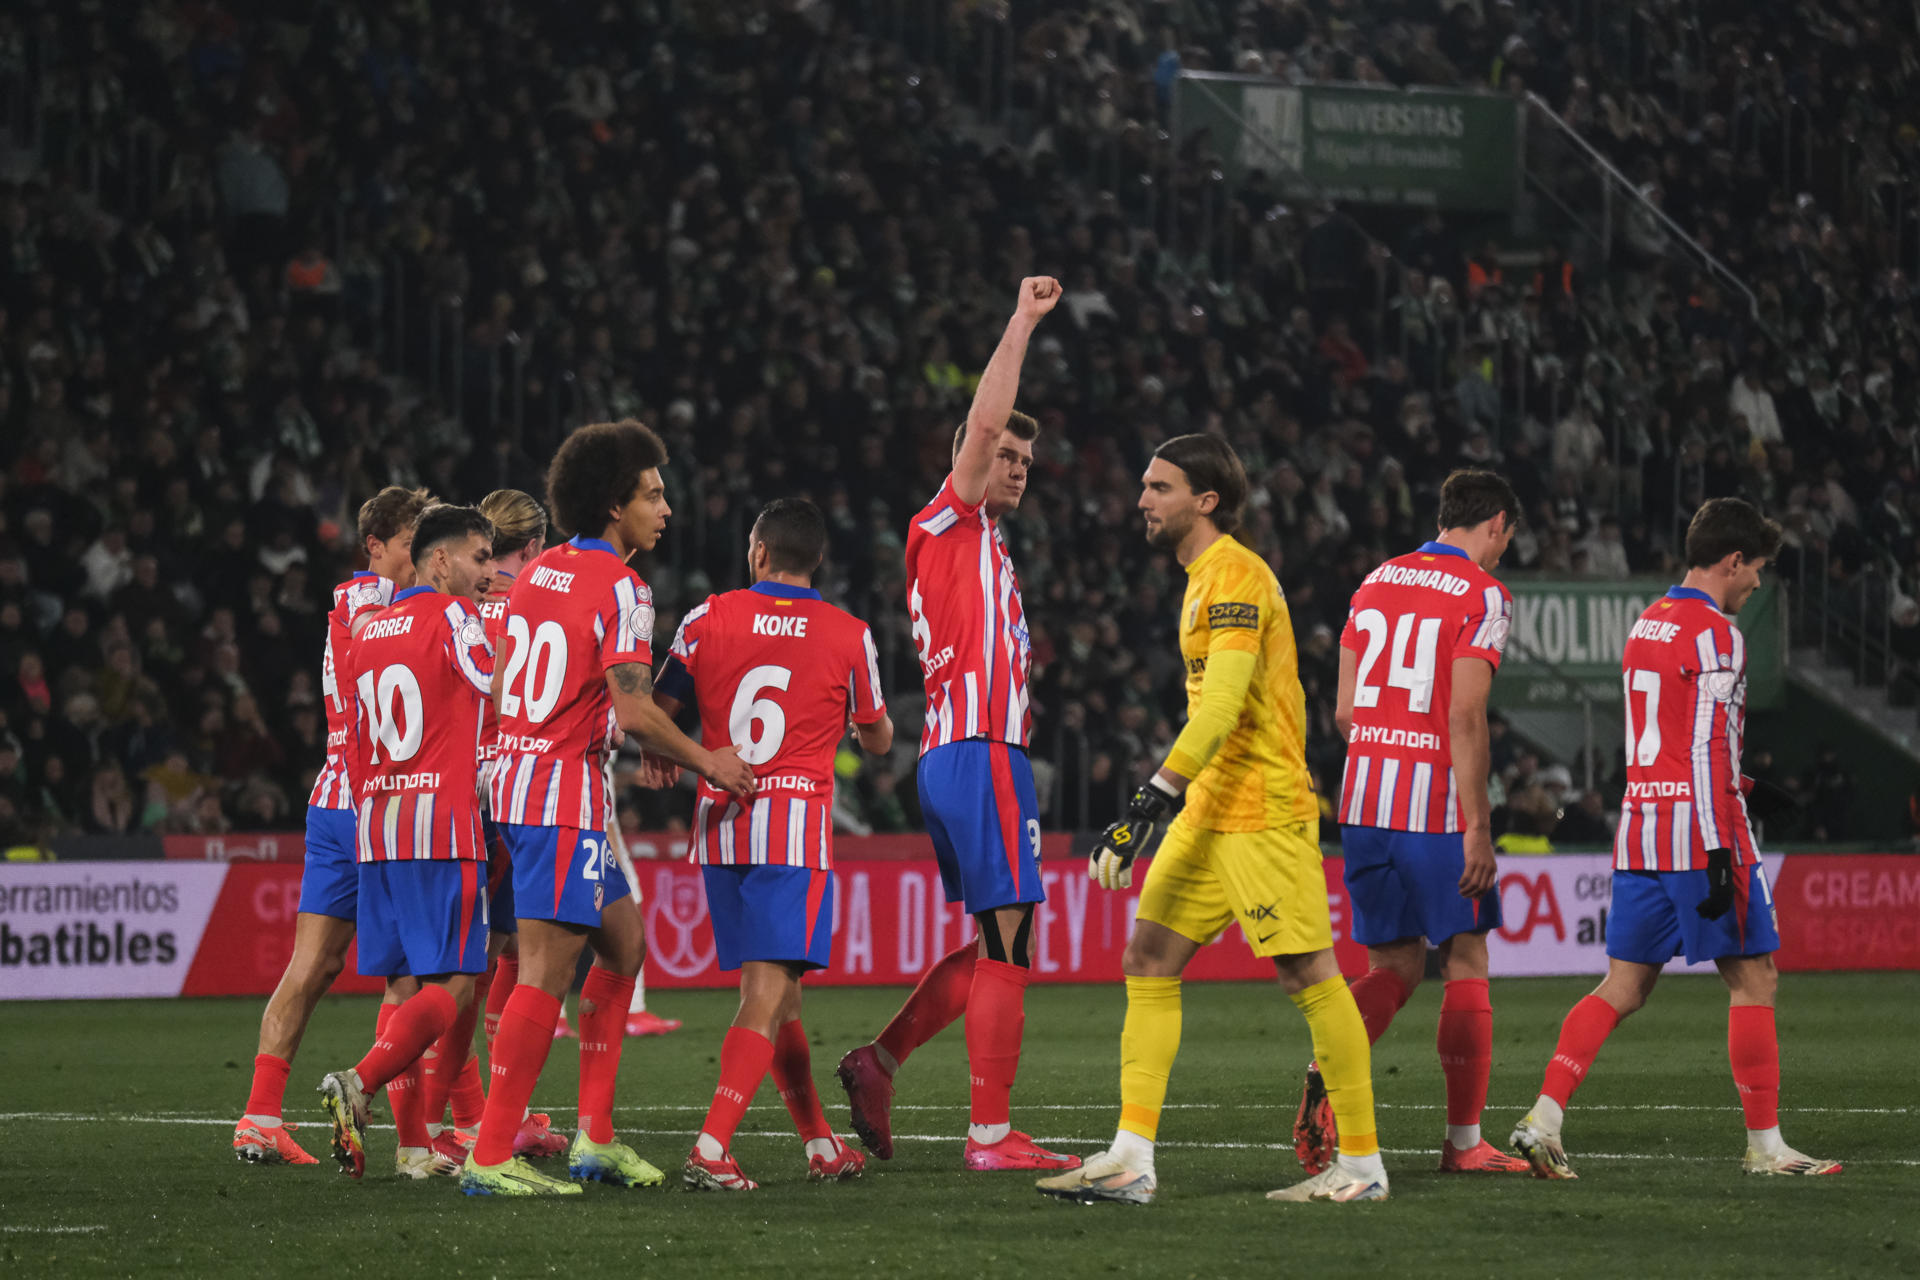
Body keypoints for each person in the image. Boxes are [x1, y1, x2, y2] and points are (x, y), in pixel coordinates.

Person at [1037, 435, 1386, 1206]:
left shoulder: (1233, 576)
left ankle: (1362, 1167)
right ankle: (1131, 1159)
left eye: (1159, 487)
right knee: (1148, 956)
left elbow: (1224, 707)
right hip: (1210, 807)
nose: (1142, 501)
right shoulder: (1199, 580)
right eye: (1144, 485)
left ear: (1207, 500)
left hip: (1260, 808)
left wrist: (1144, 804)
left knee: (1308, 976)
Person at [461, 420, 755, 1197]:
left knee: (623, 945)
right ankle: (490, 1154)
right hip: (558, 791)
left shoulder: (541, 572)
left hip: (526, 781)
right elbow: (632, 709)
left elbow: (507, 688)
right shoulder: (624, 587)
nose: (666, 507)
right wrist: (707, 763)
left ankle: (594, 1138)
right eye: (652, 494)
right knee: (544, 972)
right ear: (612, 503)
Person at [1510, 498, 1841, 1179]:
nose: (1757, 583)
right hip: (1700, 833)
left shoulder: (1647, 623)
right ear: (1731, 560)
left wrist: (1749, 787)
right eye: (1757, 569)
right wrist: (1723, 844)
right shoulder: (1718, 635)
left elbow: (1663, 744)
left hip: (1642, 833)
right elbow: (1698, 750)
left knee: (1623, 985)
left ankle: (1543, 1117)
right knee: (1755, 978)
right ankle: (1766, 1147)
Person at [836, 278, 1082, 1174]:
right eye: (1004, 454)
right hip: (980, 755)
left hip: (957, 754)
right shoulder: (951, 515)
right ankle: (990, 1135)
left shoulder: (981, 545)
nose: (1014, 466)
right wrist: (1020, 319)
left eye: (1025, 460)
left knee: (994, 940)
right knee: (1013, 936)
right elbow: (982, 430)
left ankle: (881, 1060)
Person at [1288, 469, 1530, 1178]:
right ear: (1495, 524)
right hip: (1433, 811)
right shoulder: (1485, 595)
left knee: (1393, 965)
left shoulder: (1376, 579)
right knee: (1465, 958)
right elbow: (1464, 714)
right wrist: (1478, 827)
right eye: (1505, 538)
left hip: (1363, 802)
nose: (1502, 551)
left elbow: (1340, 711)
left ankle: (1324, 1067)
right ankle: (1463, 1144)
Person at [645, 498, 891, 1190]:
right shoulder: (849, 633)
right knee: (767, 990)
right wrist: (852, 722)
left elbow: (655, 716)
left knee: (782, 1001)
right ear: (817, 561)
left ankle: (819, 1141)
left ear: (758, 554)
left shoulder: (706, 617)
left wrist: (683, 755)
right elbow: (877, 740)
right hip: (794, 830)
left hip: (723, 826)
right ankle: (712, 1147)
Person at [234, 485, 430, 1166]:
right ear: (374, 546)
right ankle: (411, 1140)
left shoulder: (371, 605)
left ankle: (260, 1115)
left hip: (334, 801)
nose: (423, 557)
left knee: (314, 965)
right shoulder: (367, 602)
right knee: (411, 977)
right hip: (376, 808)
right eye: (413, 543)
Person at [316, 503, 498, 1179]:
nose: (489, 573)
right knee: (454, 985)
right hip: (441, 826)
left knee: (401, 988)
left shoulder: (367, 627)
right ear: (440, 559)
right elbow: (500, 688)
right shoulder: (454, 618)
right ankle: (358, 1082)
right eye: (480, 558)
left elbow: (355, 738)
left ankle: (414, 1148)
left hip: (380, 825)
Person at [417, 488, 567, 1169]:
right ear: (533, 545)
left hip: (449, 792)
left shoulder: (454, 603)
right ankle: (463, 1117)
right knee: (485, 965)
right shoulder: (526, 602)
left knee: (485, 961)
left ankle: (476, 1115)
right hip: (501, 793)